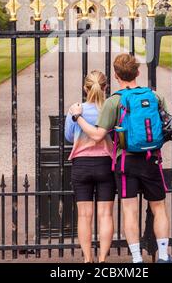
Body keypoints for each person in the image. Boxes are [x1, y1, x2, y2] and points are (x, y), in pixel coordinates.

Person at [70, 54, 172, 263]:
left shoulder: (113, 102)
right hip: (152, 158)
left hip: (126, 160)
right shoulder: (155, 96)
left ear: (116, 76)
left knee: (129, 209)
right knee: (159, 207)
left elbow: (99, 134)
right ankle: (163, 255)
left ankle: (136, 258)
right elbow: (167, 126)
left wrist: (77, 117)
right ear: (138, 72)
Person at [65, 70, 115, 263]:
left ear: (85, 88)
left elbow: (69, 137)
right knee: (105, 215)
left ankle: (88, 259)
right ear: (105, 88)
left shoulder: (76, 110)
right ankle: (102, 258)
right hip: (105, 163)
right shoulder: (110, 109)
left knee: (84, 216)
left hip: (81, 165)